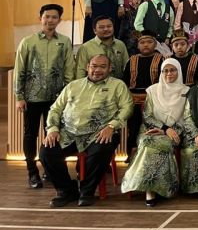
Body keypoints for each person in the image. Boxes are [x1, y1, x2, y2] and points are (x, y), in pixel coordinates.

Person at [40, 54, 133, 207]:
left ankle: (86, 192)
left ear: (110, 68)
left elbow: (127, 107)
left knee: (101, 150)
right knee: (46, 152)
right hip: (69, 133)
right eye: (94, 66)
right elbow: (55, 109)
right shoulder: (73, 85)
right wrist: (52, 129)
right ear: (87, 67)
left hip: (100, 132)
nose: (97, 70)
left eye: (103, 66)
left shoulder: (118, 85)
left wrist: (111, 126)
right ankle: (66, 191)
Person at [14, 3, 75, 188]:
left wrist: (68, 95)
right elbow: (19, 70)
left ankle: (50, 169)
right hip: (32, 97)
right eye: (47, 16)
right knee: (30, 134)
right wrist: (19, 96)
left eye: (54, 17)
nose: (50, 20)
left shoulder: (64, 41)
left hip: (56, 99)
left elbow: (69, 69)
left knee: (53, 134)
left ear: (59, 20)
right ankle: (32, 172)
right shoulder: (28, 42)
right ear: (40, 18)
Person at [121, 59, 187, 206]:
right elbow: (147, 116)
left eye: (172, 70)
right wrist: (164, 128)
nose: (169, 73)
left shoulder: (186, 92)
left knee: (159, 145)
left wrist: (170, 131)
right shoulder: (152, 90)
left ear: (179, 71)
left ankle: (158, 187)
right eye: (165, 70)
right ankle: (149, 189)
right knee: (147, 142)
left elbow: (186, 117)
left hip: (175, 131)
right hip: (150, 128)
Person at [123, 31, 164, 156]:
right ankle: (132, 154)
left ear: (155, 44)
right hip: (134, 101)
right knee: (133, 128)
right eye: (142, 42)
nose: (146, 45)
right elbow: (125, 82)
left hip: (154, 101)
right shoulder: (132, 60)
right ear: (137, 45)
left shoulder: (161, 59)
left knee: (152, 127)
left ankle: (150, 154)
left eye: (149, 42)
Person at [74, 15, 129, 80]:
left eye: (109, 26)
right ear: (95, 30)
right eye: (101, 27)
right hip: (94, 84)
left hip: (118, 84)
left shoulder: (120, 45)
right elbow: (80, 71)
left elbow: (127, 67)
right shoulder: (86, 47)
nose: (106, 29)